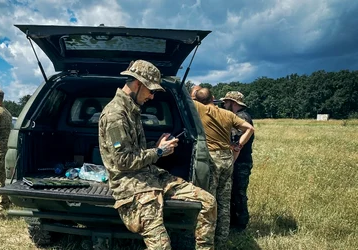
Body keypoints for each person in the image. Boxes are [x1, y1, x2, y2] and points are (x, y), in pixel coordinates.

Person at [98, 60, 217, 250]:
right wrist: (159, 151)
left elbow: (134, 151)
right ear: (138, 84)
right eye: (151, 91)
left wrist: (158, 145)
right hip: (132, 185)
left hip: (150, 176)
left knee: (208, 202)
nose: (152, 96)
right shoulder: (115, 115)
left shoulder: (132, 110)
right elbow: (123, 162)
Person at [193, 88, 254, 247]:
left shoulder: (199, 108)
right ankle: (222, 240)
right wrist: (239, 145)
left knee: (209, 201)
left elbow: (188, 100)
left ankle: (208, 240)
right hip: (227, 159)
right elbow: (250, 128)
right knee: (224, 201)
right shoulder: (228, 114)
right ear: (213, 98)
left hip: (212, 159)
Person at [220, 91, 255, 232]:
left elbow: (236, 143)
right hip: (239, 161)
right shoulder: (241, 116)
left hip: (240, 162)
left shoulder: (241, 118)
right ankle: (236, 221)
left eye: (226, 102)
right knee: (235, 191)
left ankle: (240, 224)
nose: (224, 104)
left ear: (233, 103)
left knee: (238, 192)